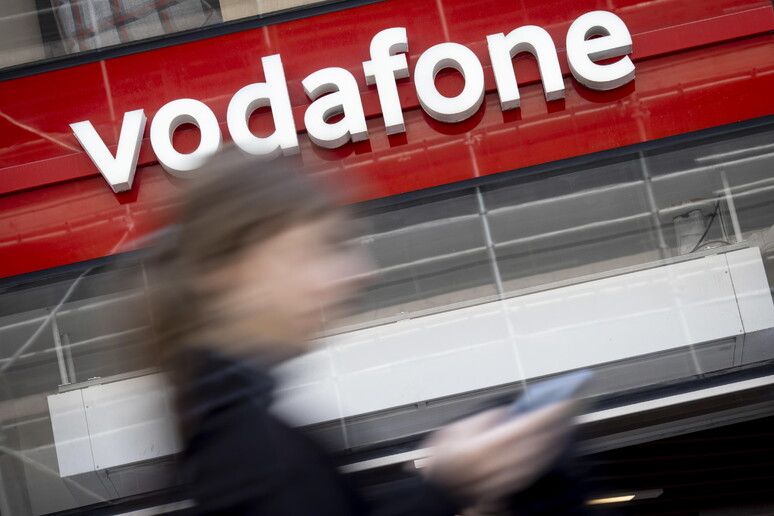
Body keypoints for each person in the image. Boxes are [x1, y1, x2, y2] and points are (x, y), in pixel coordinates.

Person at [148, 147, 579, 516]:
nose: (359, 273)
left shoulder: (231, 431)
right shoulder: (254, 452)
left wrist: (449, 482)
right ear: (229, 271)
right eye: (319, 248)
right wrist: (447, 486)